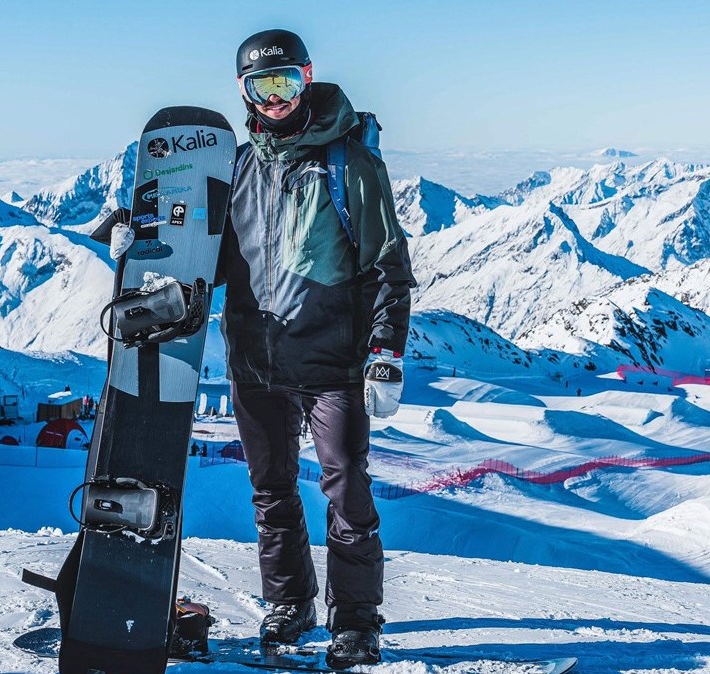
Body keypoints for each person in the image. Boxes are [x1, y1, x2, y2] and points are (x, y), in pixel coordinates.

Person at [216, 29, 415, 667]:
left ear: (308, 79)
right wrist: (141, 251)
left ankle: (356, 622)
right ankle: (289, 605)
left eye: (285, 84)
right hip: (255, 360)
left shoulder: (349, 164)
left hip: (333, 361)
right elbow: (213, 262)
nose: (274, 100)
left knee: (347, 492)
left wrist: (386, 349)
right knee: (271, 491)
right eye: (260, 87)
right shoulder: (238, 168)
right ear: (244, 93)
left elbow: (388, 263)